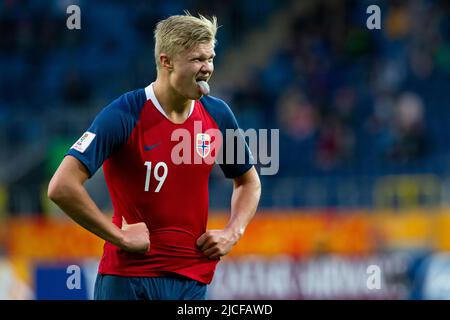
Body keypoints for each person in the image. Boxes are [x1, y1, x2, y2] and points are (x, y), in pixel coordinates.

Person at [47, 13, 261, 300]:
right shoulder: (124, 114)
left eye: (210, 58)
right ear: (166, 61)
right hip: (129, 280)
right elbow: (62, 186)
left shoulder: (218, 115)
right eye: (197, 59)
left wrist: (233, 232)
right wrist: (119, 237)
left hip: (191, 281)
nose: (207, 68)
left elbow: (249, 182)